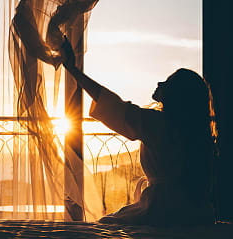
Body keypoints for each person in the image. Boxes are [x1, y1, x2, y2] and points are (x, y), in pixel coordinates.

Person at [60, 36, 217, 227]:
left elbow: (113, 107)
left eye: (168, 82)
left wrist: (73, 70)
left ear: (177, 96)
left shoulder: (159, 124)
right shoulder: (193, 133)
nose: (160, 84)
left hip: (163, 210)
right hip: (194, 211)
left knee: (106, 224)